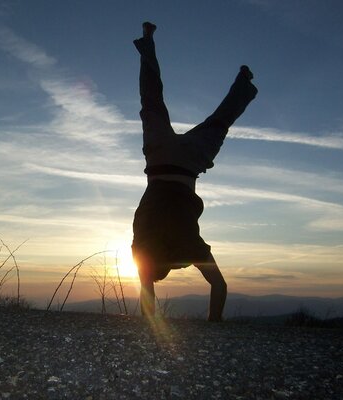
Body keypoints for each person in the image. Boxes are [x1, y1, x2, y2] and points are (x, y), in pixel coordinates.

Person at [131, 22, 258, 321]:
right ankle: (147, 42)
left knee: (219, 122)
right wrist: (150, 319)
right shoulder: (142, 248)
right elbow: (146, 290)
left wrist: (214, 325)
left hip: (188, 164)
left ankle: (244, 82)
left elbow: (220, 285)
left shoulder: (190, 248)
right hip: (159, 159)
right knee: (151, 102)